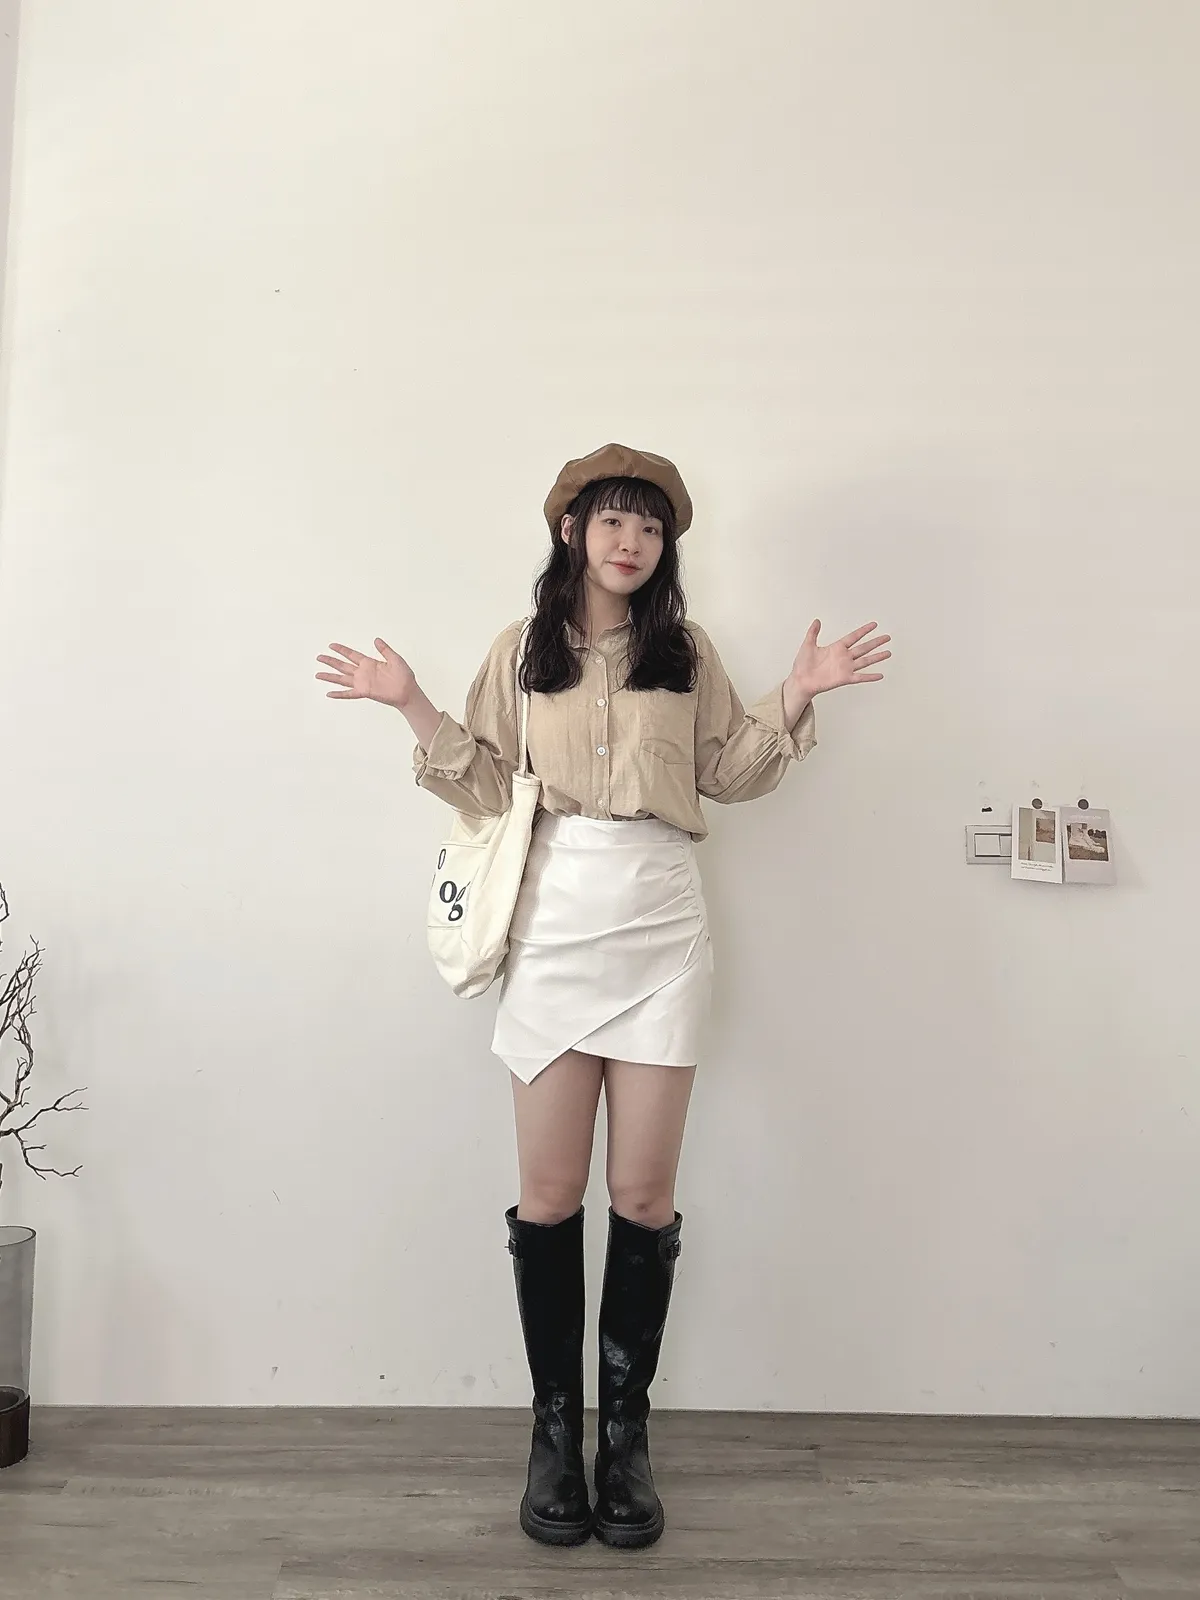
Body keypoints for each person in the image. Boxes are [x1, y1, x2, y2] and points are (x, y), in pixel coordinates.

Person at [315, 442, 890, 1550]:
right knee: (547, 1193)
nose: (632, 542)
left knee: (642, 1193)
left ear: (667, 545)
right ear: (572, 530)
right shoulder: (521, 651)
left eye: (651, 525)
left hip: (662, 923)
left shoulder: (686, 651)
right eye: (612, 520)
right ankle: (553, 1436)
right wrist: (411, 702)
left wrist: (799, 693)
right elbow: (489, 786)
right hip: (554, 921)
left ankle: (625, 1440)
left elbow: (727, 770)